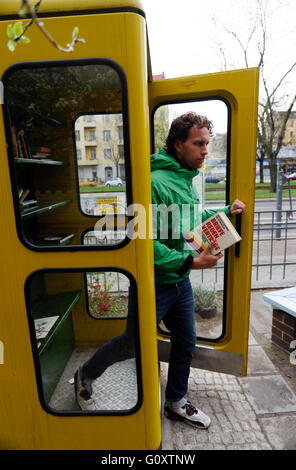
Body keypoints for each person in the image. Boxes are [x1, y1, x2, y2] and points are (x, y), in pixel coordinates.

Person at [74, 112, 245, 429]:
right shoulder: (153, 183)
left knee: (186, 342)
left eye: (207, 143)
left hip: (180, 284)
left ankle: (175, 401)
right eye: (199, 144)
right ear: (178, 144)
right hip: (155, 285)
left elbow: (190, 219)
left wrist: (225, 211)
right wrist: (192, 262)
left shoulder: (185, 178)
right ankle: (86, 372)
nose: (205, 150)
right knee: (130, 344)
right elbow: (144, 243)